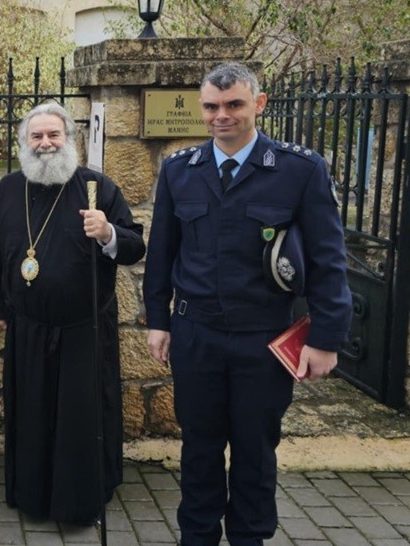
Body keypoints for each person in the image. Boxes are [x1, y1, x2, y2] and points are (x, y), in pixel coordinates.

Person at [143, 62, 353, 546]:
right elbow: (162, 255)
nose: (223, 116)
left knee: (256, 451)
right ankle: (197, 537)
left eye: (234, 104)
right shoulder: (180, 171)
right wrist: (158, 320)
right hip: (196, 336)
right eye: (213, 107)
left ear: (258, 104)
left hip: (264, 340)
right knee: (198, 448)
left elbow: (328, 260)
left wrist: (326, 338)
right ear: (202, 109)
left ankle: (249, 538)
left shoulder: (300, 170)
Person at [0, 101, 145, 525]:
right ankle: (33, 495)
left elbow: (135, 246)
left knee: (80, 417)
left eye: (54, 135)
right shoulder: (6, 189)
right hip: (29, 328)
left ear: (69, 140)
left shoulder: (97, 188)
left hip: (84, 328)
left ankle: (79, 501)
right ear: (23, 143)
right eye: (36, 136)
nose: (45, 143)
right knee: (32, 414)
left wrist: (108, 232)